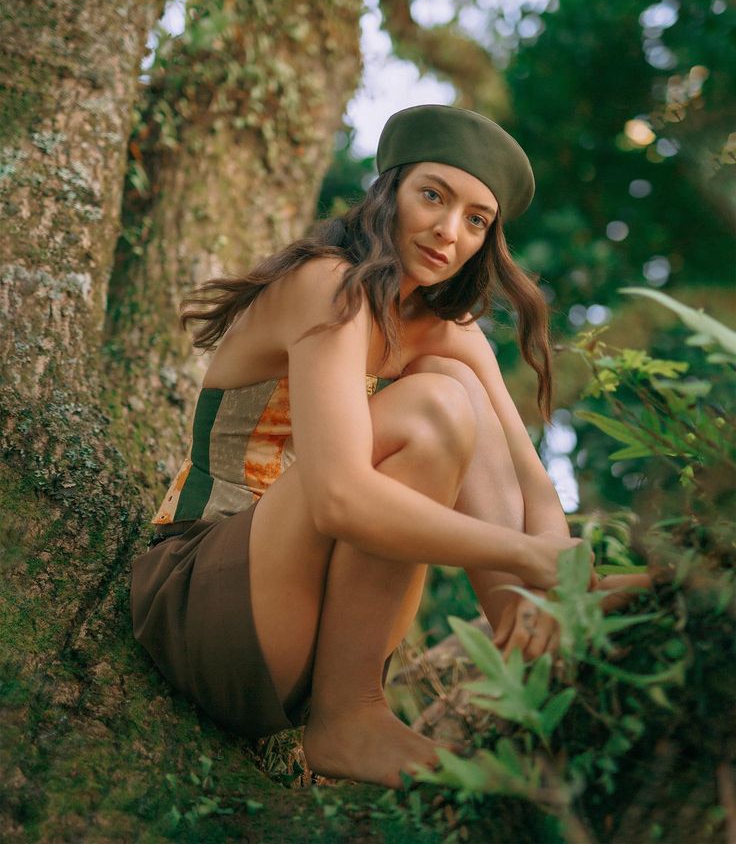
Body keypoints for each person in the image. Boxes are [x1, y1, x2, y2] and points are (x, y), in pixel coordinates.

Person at [130, 104, 650, 789]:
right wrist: (529, 552)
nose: (448, 231)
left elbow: (529, 478)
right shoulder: (326, 287)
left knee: (452, 381)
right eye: (432, 196)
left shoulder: (444, 329)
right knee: (434, 406)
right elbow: (340, 498)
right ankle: (349, 718)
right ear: (389, 192)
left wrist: (559, 578)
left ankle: (526, 622)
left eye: (476, 219)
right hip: (207, 602)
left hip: (303, 633)